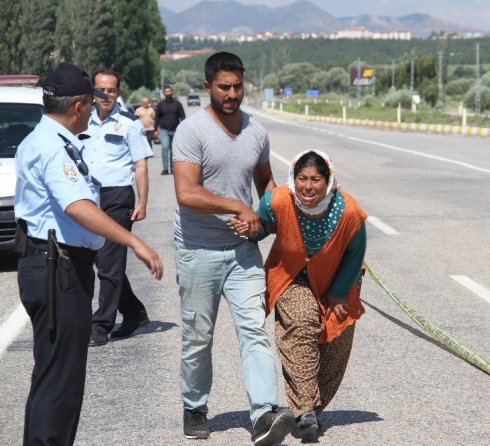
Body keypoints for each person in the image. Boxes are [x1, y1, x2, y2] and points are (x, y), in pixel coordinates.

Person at [15, 62, 163, 446]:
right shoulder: (52, 146)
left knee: (51, 377)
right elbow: (77, 206)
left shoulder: (48, 139)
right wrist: (134, 242)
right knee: (60, 383)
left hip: (54, 264)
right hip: (57, 268)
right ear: (79, 105)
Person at [172, 51, 293, 444]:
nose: (232, 94)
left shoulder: (256, 132)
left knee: (254, 331)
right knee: (197, 337)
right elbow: (186, 193)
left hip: (243, 252)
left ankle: (263, 414)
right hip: (197, 249)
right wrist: (237, 206)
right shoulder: (192, 132)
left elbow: (266, 187)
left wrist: (279, 216)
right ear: (208, 86)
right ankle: (194, 406)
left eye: (238, 86)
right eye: (224, 87)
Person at [235, 149, 367, 439]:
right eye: (302, 178)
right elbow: (261, 227)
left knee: (335, 340)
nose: (308, 187)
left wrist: (340, 293)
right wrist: (250, 228)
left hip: (338, 282)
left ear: (329, 180)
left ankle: (313, 409)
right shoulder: (278, 200)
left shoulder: (348, 211)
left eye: (316, 179)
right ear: (293, 179)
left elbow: (356, 252)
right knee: (301, 327)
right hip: (292, 277)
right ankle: (304, 409)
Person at [83, 69, 155, 347]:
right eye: (100, 90)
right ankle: (135, 312)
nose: (106, 95)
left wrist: (143, 201)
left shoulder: (129, 124)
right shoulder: (81, 122)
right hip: (87, 197)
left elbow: (140, 165)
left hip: (117, 198)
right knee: (101, 261)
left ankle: (101, 325)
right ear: (93, 91)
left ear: (118, 93)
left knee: (109, 263)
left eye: (111, 90)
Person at [155, 85, 184, 175]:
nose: (168, 93)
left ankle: (172, 168)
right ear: (164, 93)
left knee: (173, 150)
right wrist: (155, 129)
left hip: (175, 130)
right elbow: (157, 117)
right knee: (164, 147)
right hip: (164, 130)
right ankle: (165, 168)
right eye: (166, 91)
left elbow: (182, 116)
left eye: (169, 91)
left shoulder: (177, 104)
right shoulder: (160, 104)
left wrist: (183, 128)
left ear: (172, 92)